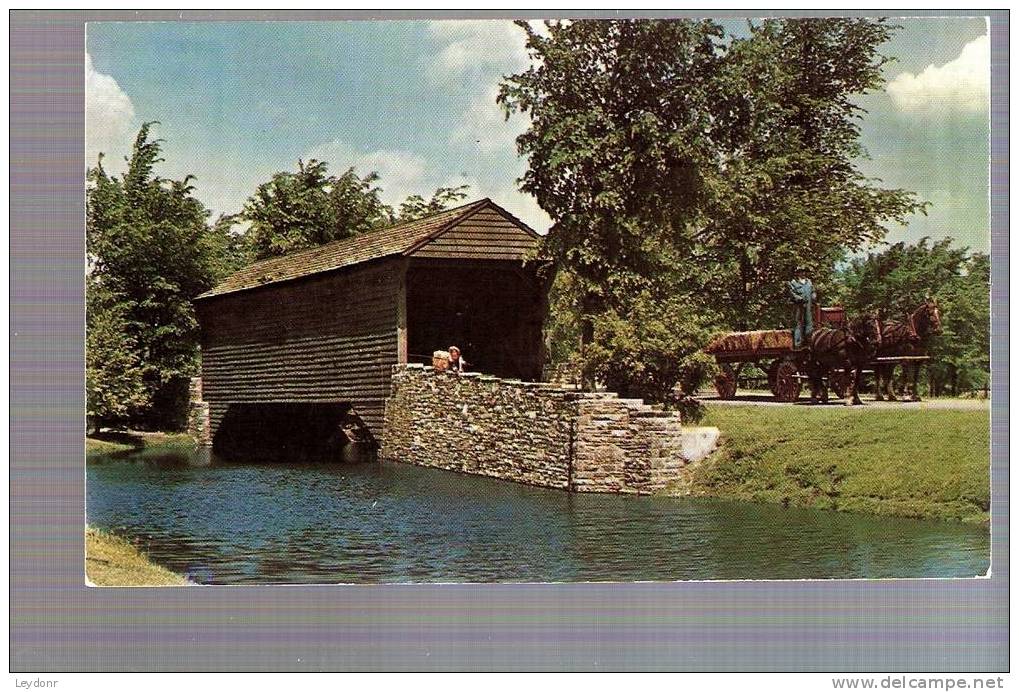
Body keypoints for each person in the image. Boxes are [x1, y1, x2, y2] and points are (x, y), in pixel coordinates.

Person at [788, 268, 816, 349]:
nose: (803, 273)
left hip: (808, 306)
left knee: (809, 324)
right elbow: (792, 294)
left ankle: (809, 342)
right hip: (798, 307)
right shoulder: (793, 283)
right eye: (800, 272)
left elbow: (813, 291)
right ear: (797, 273)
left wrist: (814, 295)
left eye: (804, 272)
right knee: (798, 324)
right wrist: (799, 299)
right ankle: (798, 344)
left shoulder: (809, 282)